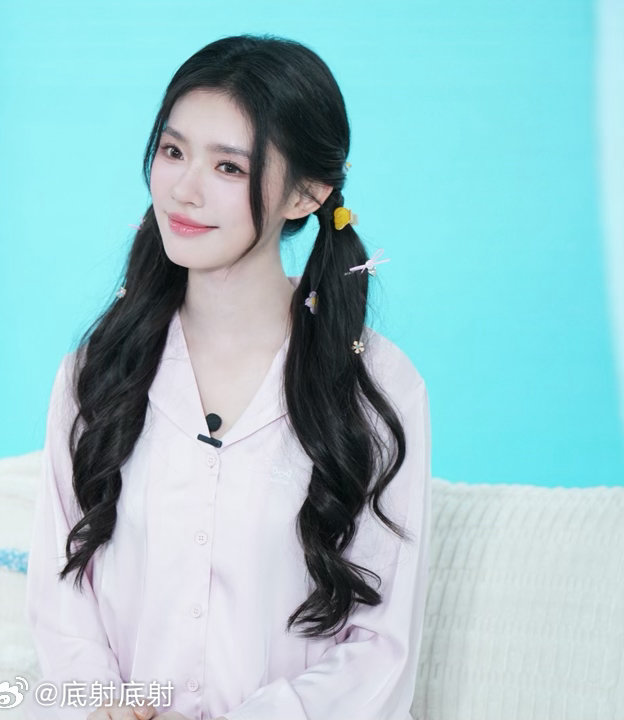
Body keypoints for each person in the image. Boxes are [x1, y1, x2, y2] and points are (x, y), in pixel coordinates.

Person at [24, 33, 431, 720]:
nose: (184, 190)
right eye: (173, 151)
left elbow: (381, 649)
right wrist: (103, 706)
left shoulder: (378, 386)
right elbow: (61, 598)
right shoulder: (97, 373)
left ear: (306, 193)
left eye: (229, 167)